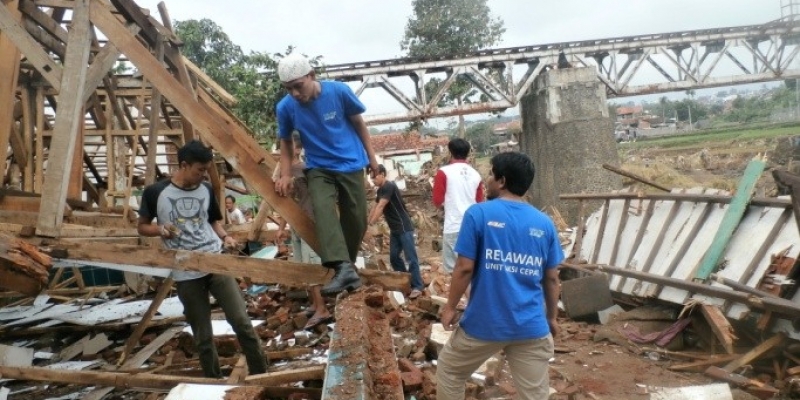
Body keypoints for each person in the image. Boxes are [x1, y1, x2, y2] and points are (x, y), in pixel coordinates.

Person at [436, 152, 563, 400]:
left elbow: (463, 267)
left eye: (491, 174)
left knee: (450, 371)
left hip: (484, 325)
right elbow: (551, 278)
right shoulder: (544, 223)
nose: (487, 180)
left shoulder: (478, 214)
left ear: (502, 181)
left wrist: (450, 307)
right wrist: (552, 318)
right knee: (535, 394)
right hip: (531, 327)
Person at [137, 140, 268, 378]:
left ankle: (262, 376)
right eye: (200, 169)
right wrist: (161, 230)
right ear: (184, 165)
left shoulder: (206, 189)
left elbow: (213, 221)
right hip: (185, 271)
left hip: (214, 260)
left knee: (242, 322)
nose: (203, 174)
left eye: (206, 170)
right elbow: (142, 227)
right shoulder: (156, 193)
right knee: (203, 336)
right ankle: (215, 382)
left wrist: (226, 237)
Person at [275, 53, 379, 296]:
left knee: (356, 217)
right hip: (318, 166)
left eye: (298, 86)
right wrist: (286, 174)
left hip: (351, 162)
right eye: (288, 89)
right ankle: (342, 266)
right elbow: (286, 142)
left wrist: (373, 158)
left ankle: (347, 269)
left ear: (311, 76)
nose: (294, 94)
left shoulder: (339, 92)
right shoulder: (286, 107)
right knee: (322, 208)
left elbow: (359, 124)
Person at [273, 134, 332, 329]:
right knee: (303, 267)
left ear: (297, 150)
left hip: (309, 223)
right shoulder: (286, 172)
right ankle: (315, 304)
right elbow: (286, 202)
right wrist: (282, 228)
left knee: (312, 268)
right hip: (296, 225)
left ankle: (322, 308)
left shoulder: (307, 170)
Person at [367, 165, 424, 299]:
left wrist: (372, 223)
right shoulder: (380, 190)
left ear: (382, 174)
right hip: (395, 230)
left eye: (374, 177)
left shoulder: (389, 186)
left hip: (404, 226)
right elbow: (374, 207)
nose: (372, 180)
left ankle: (417, 286)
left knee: (410, 258)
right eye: (370, 177)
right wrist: (366, 223)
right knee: (393, 257)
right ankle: (405, 282)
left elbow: (381, 206)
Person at [433, 138, 484, 273]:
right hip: (474, 227)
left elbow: (437, 200)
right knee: (473, 268)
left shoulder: (443, 172)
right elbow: (480, 203)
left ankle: (463, 294)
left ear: (450, 152)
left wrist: (447, 205)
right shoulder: (476, 174)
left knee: (453, 270)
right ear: (468, 153)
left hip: (453, 226)